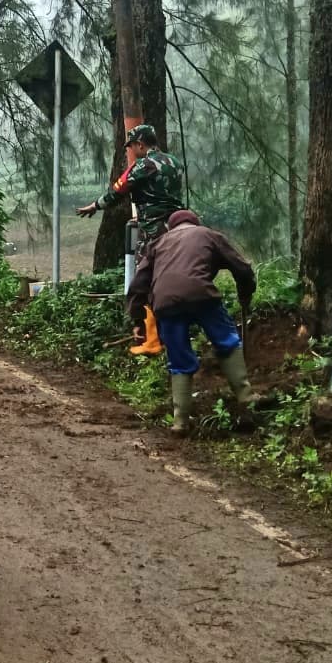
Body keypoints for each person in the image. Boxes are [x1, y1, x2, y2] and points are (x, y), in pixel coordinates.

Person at [127, 209, 255, 432]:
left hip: (165, 304)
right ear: (196, 223)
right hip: (201, 296)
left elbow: (139, 284)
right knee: (226, 340)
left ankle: (180, 421)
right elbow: (241, 268)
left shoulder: (158, 243)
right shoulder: (209, 235)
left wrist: (137, 319)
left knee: (179, 359)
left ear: (171, 227)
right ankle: (246, 396)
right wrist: (246, 294)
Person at [76, 124, 185, 355]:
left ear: (140, 144)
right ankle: (178, 328)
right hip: (176, 226)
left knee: (146, 278)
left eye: (133, 146)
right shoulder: (174, 162)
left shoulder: (143, 166)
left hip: (152, 230)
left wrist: (95, 205)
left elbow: (119, 189)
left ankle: (151, 336)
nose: (132, 151)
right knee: (174, 274)